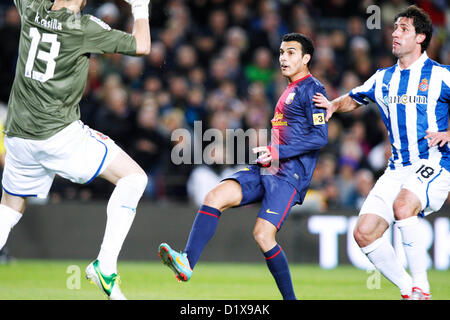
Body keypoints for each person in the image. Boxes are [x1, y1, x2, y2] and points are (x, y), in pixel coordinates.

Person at [0, 0, 151, 300]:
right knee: (134, 178)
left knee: (9, 207)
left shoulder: (31, 7)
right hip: (58, 136)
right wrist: (140, 6)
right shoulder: (84, 27)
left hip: (17, 134)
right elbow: (142, 45)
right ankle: (105, 266)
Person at [159, 33, 328, 300]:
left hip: (289, 176)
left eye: (291, 53)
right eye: (282, 52)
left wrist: (277, 151)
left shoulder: (313, 89)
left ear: (306, 58)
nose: (284, 57)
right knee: (214, 196)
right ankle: (187, 263)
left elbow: (320, 137)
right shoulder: (288, 89)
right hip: (268, 168)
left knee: (263, 235)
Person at [313, 5, 449, 300]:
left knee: (403, 206)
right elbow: (355, 97)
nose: (395, 33)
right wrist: (334, 105)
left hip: (434, 163)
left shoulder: (441, 75)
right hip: (397, 169)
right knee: (364, 232)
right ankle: (407, 290)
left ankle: (421, 287)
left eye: (404, 29)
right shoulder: (383, 78)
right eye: (395, 28)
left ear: (421, 37)